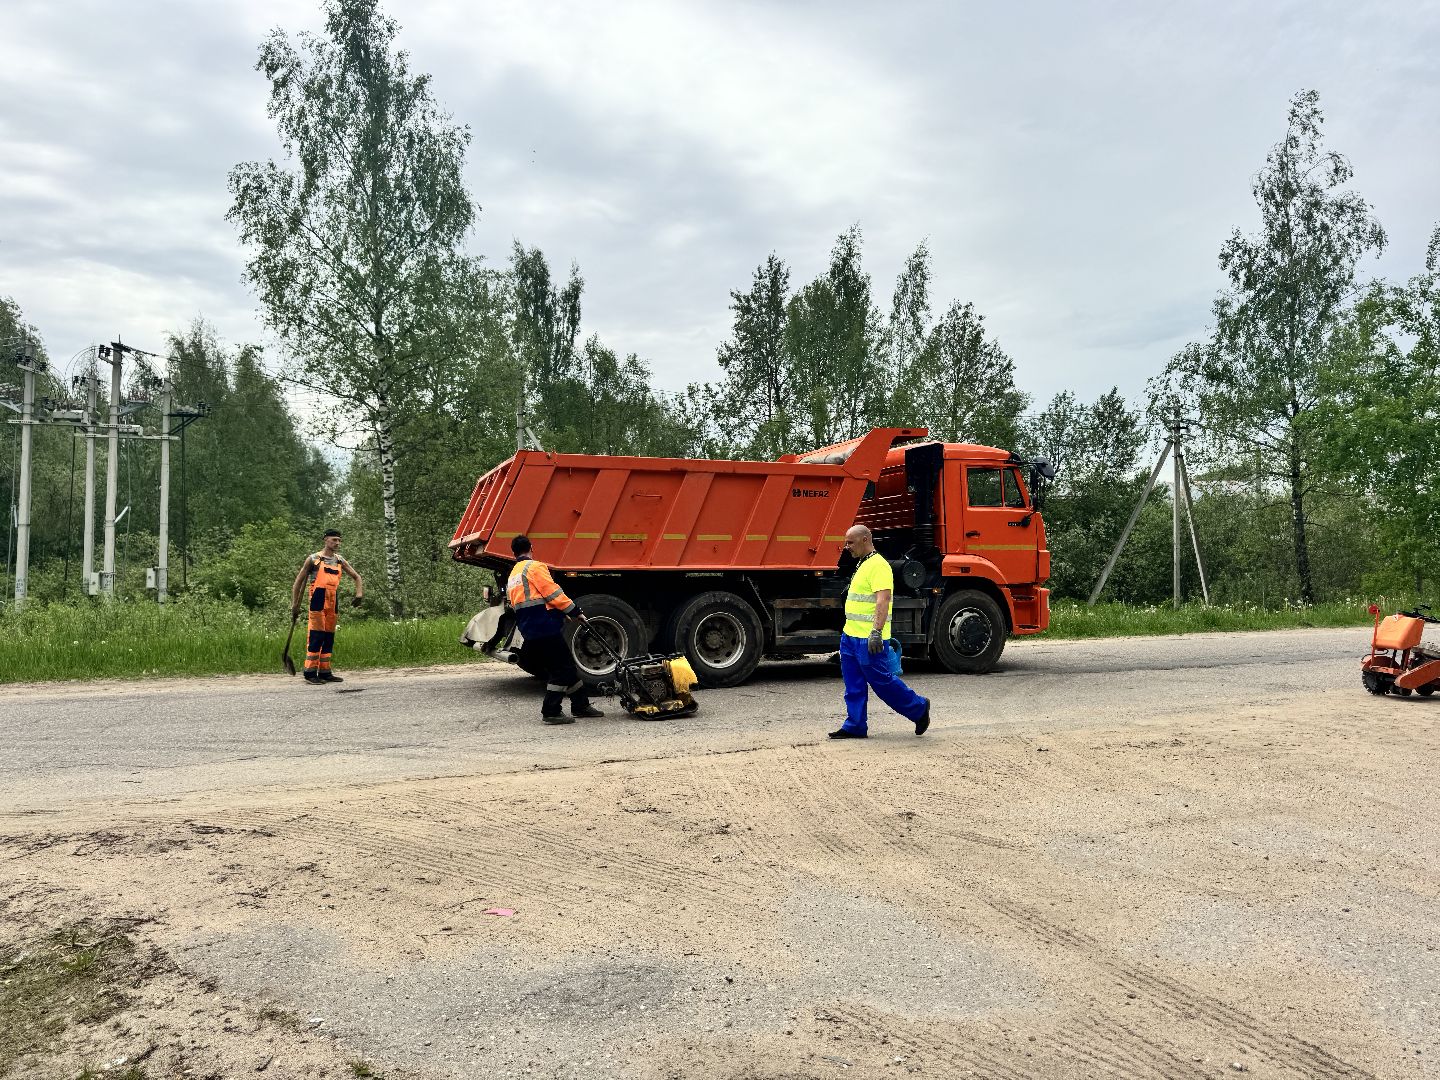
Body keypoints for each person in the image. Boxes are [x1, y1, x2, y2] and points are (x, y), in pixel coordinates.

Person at [829, 524, 930, 739]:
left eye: (850, 542)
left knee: (882, 683)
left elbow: (883, 600)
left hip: (869, 639)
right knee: (853, 685)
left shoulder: (879, 565)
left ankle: (919, 708)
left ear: (865, 539)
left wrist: (876, 632)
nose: (847, 547)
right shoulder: (862, 563)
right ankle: (855, 725)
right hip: (850, 637)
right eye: (846, 542)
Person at [506, 534, 605, 724]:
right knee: (561, 669)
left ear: (514, 553)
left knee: (565, 664)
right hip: (545, 628)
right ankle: (551, 710)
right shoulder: (534, 567)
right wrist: (575, 611)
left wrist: (559, 614)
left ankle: (580, 705)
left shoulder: (514, 575)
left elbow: (531, 601)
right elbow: (552, 593)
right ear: (531, 548)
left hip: (531, 630)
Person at [291, 529, 363, 684]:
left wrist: (359, 594)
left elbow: (357, 577)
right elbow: (297, 584)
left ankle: (325, 671)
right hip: (317, 598)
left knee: (329, 637)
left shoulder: (339, 560)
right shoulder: (314, 559)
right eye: (334, 540)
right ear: (325, 540)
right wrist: (294, 605)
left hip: (333, 599)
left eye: (339, 540)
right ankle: (310, 673)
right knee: (317, 635)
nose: (337, 543)